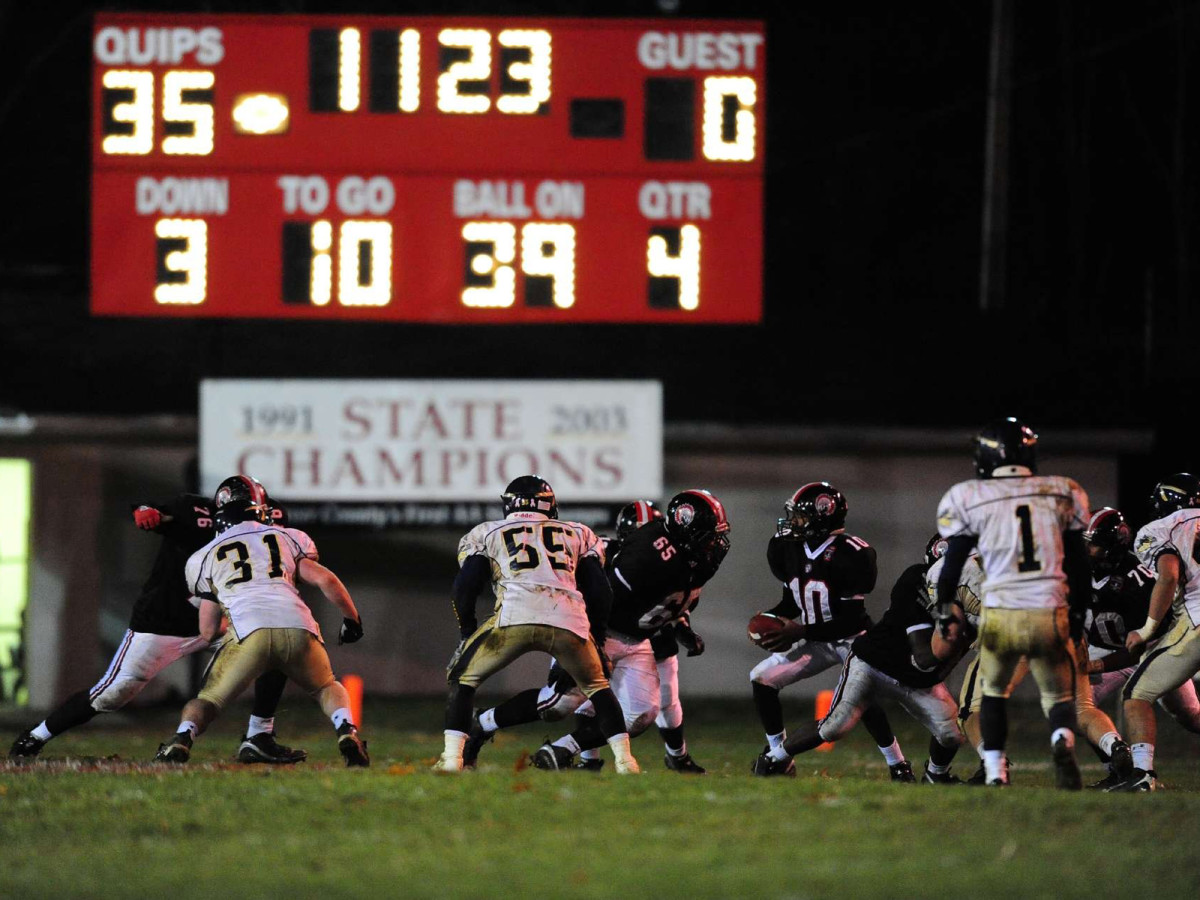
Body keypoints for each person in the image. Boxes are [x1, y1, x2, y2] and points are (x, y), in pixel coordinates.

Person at [9, 490, 303, 764]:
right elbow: (151, 512)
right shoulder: (194, 512)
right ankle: (34, 737)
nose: (251, 519)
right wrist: (146, 513)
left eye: (257, 512)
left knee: (275, 646)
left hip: (223, 620)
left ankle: (258, 736)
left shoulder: (272, 521)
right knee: (112, 693)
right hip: (163, 622)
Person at [152, 475, 368, 766]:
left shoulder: (202, 557)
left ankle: (181, 739)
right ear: (260, 511)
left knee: (208, 700)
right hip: (298, 626)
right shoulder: (288, 537)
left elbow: (206, 630)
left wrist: (231, 633)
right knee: (327, 686)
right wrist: (351, 620)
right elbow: (325, 579)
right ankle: (345, 729)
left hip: (248, 632)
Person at [435, 476, 640, 774]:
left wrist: (467, 631)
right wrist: (595, 635)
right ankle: (626, 762)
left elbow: (464, 587)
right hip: (568, 621)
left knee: (462, 680)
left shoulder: (487, 532)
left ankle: (453, 760)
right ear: (550, 505)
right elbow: (600, 591)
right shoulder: (578, 533)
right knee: (598, 688)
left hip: (512, 618)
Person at [934, 417, 1091, 789]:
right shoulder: (1060, 491)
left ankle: (992, 771)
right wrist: (1080, 611)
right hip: (1047, 610)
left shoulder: (970, 496)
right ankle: (1061, 740)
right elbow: (1079, 563)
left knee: (992, 694)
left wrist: (943, 607)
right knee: (1058, 693)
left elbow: (952, 562)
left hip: (1000, 613)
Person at [531, 489, 729, 772]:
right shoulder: (635, 556)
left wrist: (682, 627)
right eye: (708, 535)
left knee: (646, 709)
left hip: (643, 636)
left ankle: (568, 750)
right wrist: (577, 644)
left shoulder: (692, 560)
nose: (714, 543)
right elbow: (598, 597)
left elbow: (675, 602)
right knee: (560, 703)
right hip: (601, 629)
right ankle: (485, 724)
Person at [753, 536, 968, 783]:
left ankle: (935, 775)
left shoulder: (971, 597)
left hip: (915, 677)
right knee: (835, 726)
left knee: (953, 732)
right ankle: (772, 758)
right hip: (874, 663)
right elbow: (924, 657)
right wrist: (961, 635)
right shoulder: (915, 581)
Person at [749, 482, 912, 781]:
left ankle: (898, 764)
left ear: (822, 516)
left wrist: (798, 632)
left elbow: (849, 620)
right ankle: (778, 757)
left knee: (863, 697)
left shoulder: (853, 554)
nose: (794, 521)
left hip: (854, 640)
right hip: (815, 638)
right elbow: (792, 601)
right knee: (761, 678)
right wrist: (771, 620)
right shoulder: (789, 549)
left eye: (800, 516)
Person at [1112, 475, 1200, 791]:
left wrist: (1146, 630)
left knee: (1137, 694)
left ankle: (1143, 776)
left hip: (1197, 618)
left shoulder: (1157, 530)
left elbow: (1169, 574)